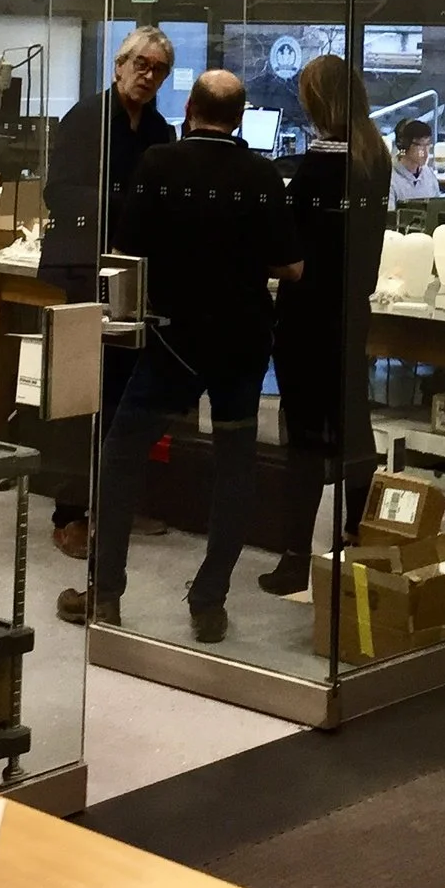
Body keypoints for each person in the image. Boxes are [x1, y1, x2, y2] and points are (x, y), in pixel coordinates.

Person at [74, 69, 300, 641]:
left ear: (190, 110)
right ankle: (208, 603)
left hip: (174, 343)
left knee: (122, 453)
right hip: (241, 342)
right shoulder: (262, 174)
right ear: (240, 118)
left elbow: (124, 253)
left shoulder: (158, 164)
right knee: (234, 465)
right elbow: (292, 266)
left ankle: (105, 595)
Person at [37, 26, 176, 559]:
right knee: (80, 395)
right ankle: (70, 514)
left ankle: (113, 505)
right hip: (82, 269)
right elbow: (58, 191)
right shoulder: (86, 118)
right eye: (141, 64)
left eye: (158, 69)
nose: (148, 75)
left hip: (131, 275)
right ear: (119, 66)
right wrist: (127, 205)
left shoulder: (160, 130)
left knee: (124, 398)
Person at [259, 55, 391, 595]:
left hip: (307, 314)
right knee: (353, 423)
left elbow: (289, 251)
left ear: (314, 101)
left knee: (306, 438)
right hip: (351, 309)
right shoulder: (374, 156)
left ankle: (295, 557)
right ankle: (358, 537)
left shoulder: (318, 167)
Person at [389, 117, 441, 203]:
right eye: (420, 145)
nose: (425, 152)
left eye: (427, 144)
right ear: (405, 145)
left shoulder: (428, 174)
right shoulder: (391, 179)